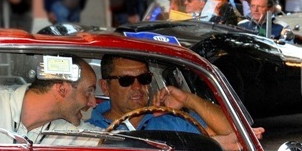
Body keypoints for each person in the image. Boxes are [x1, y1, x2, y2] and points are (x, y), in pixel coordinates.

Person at [87, 56, 232, 138]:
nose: (137, 87)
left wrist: (188, 100)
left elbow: (233, 135)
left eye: (144, 78)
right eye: (126, 80)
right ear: (105, 87)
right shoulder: (87, 129)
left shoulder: (176, 120)